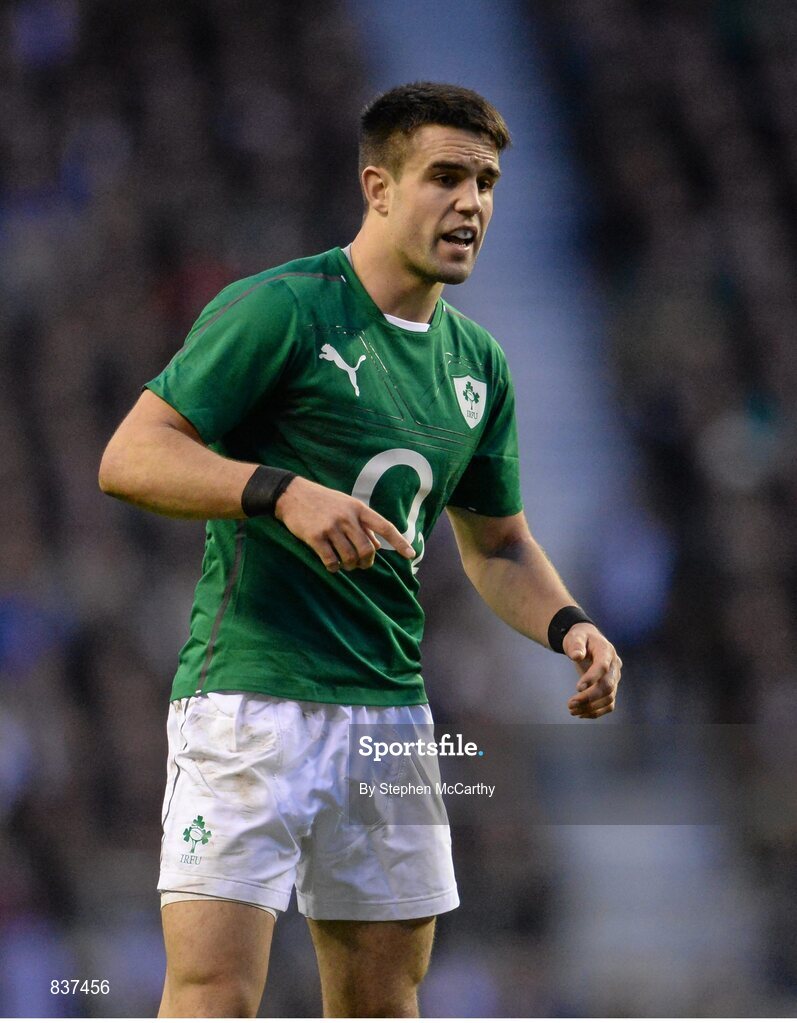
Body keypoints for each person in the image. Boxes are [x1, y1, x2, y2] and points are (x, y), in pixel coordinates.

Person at [99, 81, 621, 1018]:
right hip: (248, 701)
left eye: (486, 183)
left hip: (388, 717)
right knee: (214, 991)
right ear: (377, 187)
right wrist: (279, 490)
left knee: (383, 1000)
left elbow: (499, 543)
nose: (470, 203)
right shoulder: (281, 309)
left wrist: (569, 624)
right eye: (445, 176)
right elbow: (131, 456)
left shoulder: (478, 364)